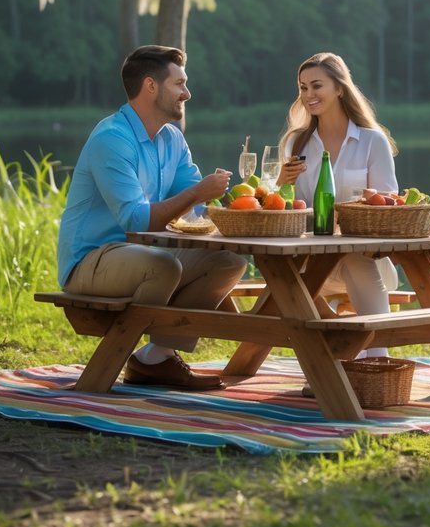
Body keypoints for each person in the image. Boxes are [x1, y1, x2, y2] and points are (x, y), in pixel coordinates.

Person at [57, 45, 246, 389]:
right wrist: (197, 193)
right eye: (179, 84)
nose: (187, 93)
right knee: (163, 266)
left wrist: (252, 204)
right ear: (150, 86)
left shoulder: (171, 138)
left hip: (141, 254)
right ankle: (111, 363)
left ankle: (156, 357)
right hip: (92, 259)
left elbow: (201, 206)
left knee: (228, 261)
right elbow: (136, 221)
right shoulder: (112, 139)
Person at [275, 52, 399, 358]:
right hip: (310, 263)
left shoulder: (372, 141)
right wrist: (281, 184)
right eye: (303, 88)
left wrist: (362, 206)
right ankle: (334, 357)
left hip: (367, 260)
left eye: (317, 86)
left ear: (340, 89)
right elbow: (282, 207)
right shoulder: (295, 143)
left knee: (355, 257)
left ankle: (377, 359)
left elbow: (388, 205)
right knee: (279, 272)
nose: (308, 95)